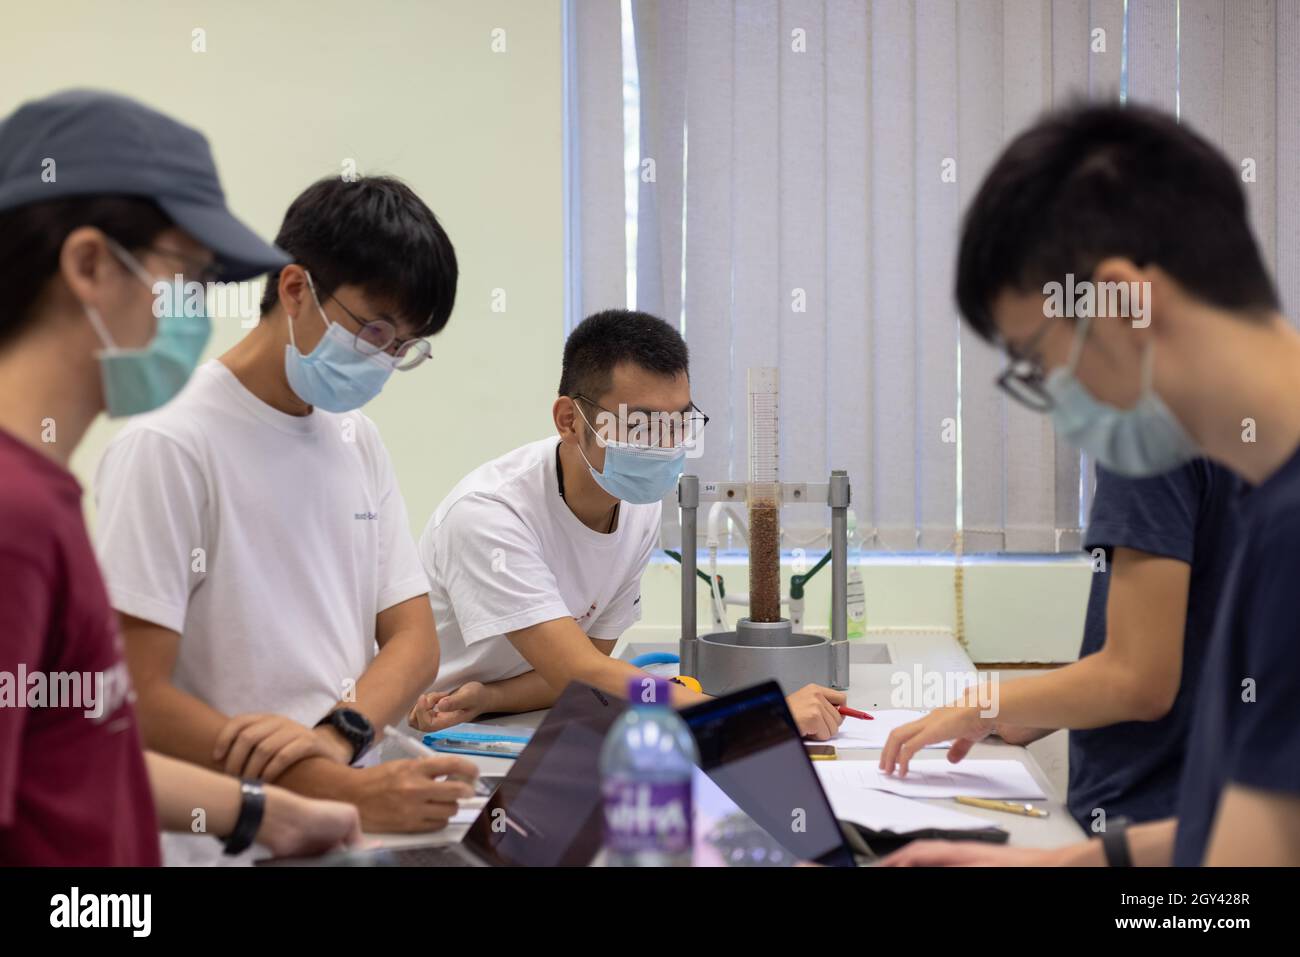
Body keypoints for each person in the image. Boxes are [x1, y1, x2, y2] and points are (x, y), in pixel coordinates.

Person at [883, 101, 1300, 866]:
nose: (1057, 398)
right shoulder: (1262, 493)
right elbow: (1255, 837)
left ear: (1122, 304)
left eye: (1040, 361)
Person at [0, 89, 360, 864]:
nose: (196, 310)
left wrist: (267, 812)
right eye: (187, 275)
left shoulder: (40, 491)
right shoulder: (15, 515)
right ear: (90, 263)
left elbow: (68, 746)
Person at [93, 174, 477, 865]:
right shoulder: (171, 445)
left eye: (405, 347)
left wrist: (340, 734)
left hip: (343, 810)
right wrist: (338, 786)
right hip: (225, 838)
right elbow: (137, 697)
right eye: (377, 330)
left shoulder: (354, 438)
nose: (386, 362)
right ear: (295, 289)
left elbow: (413, 638)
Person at [408, 309, 847, 739]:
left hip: (506, 718)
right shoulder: (489, 515)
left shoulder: (637, 504)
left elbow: (581, 675)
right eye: (641, 425)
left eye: (678, 424)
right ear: (569, 421)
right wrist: (759, 716)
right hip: (433, 735)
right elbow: (584, 672)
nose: (664, 447)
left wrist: (489, 697)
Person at [880, 460, 1240, 832]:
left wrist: (983, 705)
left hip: (1146, 821)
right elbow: (1186, 642)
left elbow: (1138, 680)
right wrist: (1034, 713)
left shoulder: (1146, 440)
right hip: (1218, 818)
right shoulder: (1238, 444)